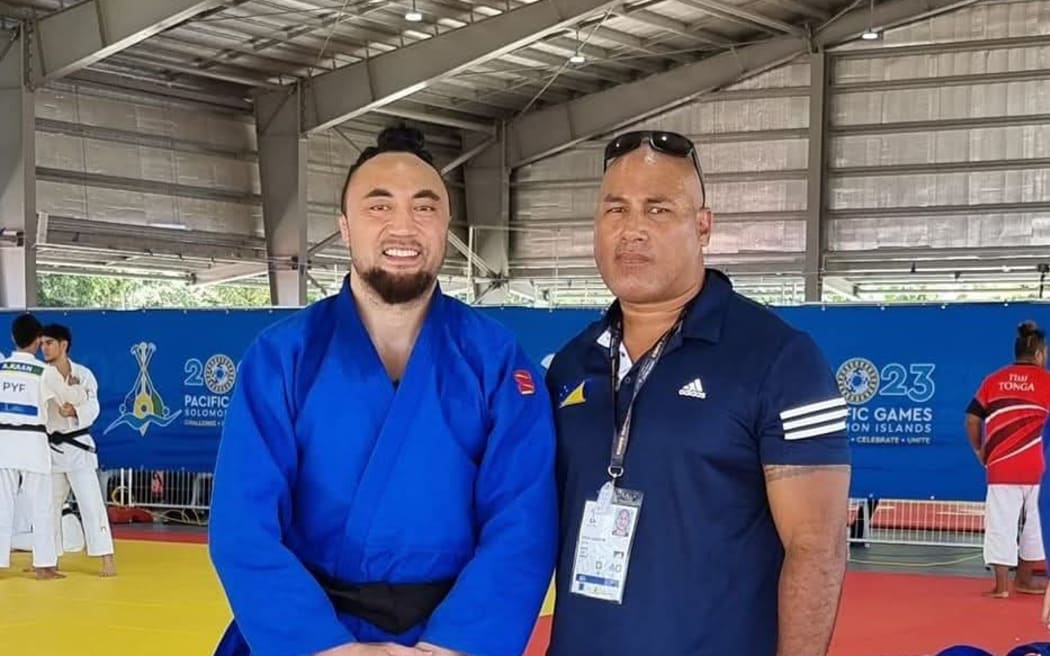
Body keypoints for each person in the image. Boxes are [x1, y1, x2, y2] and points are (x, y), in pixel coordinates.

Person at [208, 126, 557, 656]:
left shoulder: (497, 360)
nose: (403, 226)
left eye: (424, 208)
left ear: (446, 225)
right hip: (310, 636)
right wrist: (326, 648)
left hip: (452, 638)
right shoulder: (282, 357)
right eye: (378, 207)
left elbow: (523, 524)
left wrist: (451, 647)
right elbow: (243, 526)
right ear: (345, 228)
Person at [544, 130, 851, 656]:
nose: (632, 230)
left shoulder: (780, 359)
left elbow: (817, 546)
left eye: (658, 210)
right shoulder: (571, 365)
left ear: (702, 226)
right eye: (615, 210)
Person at [966, 321, 1050, 599]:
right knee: (1037, 525)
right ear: (1039, 354)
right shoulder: (1046, 381)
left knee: (1000, 524)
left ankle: (1001, 586)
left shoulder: (994, 380)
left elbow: (972, 418)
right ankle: (1024, 580)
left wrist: (979, 450)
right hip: (1038, 468)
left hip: (1001, 465)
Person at [0, 313, 86, 580]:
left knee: (2, 504)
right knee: (42, 504)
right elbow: (66, 401)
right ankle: (44, 565)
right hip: (33, 442)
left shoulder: (2, 368)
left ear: (14, 338)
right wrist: (75, 389)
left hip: (4, 441)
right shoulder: (44, 372)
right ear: (38, 340)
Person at [40, 323, 116, 577]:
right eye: (41, 343)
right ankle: (48, 560)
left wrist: (76, 410)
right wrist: (74, 397)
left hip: (79, 447)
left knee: (91, 503)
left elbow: (93, 406)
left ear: (63, 345)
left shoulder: (84, 374)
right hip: (51, 448)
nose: (44, 348)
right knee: (49, 506)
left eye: (49, 343)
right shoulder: (41, 375)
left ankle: (107, 559)